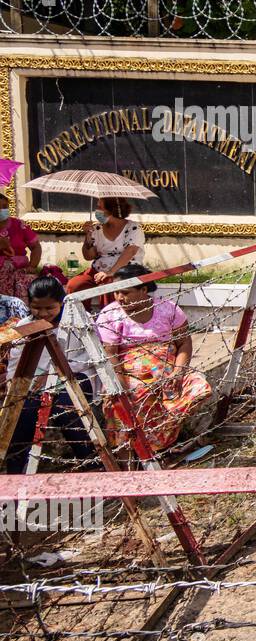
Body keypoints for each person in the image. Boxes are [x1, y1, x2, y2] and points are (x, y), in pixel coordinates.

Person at [95, 263, 210, 455]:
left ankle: (159, 440)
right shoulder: (110, 315)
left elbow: (184, 344)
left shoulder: (167, 309)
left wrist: (178, 371)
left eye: (125, 292)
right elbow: (111, 354)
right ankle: (137, 451)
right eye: (116, 292)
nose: (119, 298)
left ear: (144, 289)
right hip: (130, 374)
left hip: (167, 372)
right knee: (138, 394)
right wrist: (120, 384)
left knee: (199, 388)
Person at [3, 278, 96, 475]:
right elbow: (16, 362)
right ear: (29, 304)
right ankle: (16, 469)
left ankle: (89, 461)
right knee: (22, 411)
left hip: (76, 375)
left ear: (61, 302)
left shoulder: (79, 319)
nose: (43, 313)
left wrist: (53, 374)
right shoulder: (25, 325)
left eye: (50, 308)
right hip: (33, 381)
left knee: (65, 408)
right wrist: (15, 386)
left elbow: (89, 356)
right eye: (37, 307)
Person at [66, 198, 145, 303]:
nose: (97, 211)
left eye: (100, 207)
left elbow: (130, 251)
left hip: (124, 272)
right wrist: (87, 238)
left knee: (108, 286)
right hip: (97, 271)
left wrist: (110, 272)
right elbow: (89, 256)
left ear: (112, 210)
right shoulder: (97, 228)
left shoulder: (133, 227)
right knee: (74, 285)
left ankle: (106, 318)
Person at [0, 193, 42, 299]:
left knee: (27, 284)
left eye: (4, 207)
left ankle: (23, 312)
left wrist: (32, 266)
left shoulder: (19, 225)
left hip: (20, 269)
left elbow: (36, 247)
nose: (1, 210)